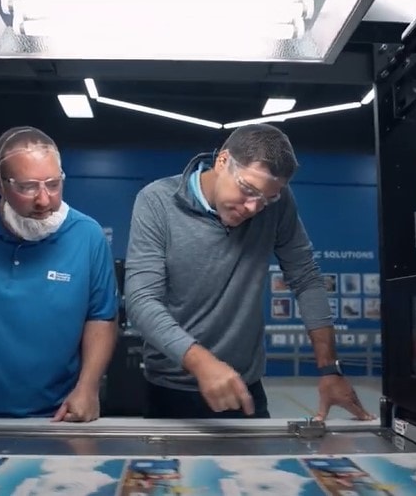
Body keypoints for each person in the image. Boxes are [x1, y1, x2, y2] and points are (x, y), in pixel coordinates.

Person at [125, 123, 374, 420]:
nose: (254, 208)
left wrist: (329, 369)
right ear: (222, 161)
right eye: (247, 190)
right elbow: (141, 300)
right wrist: (202, 363)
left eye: (267, 198)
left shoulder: (277, 204)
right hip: (170, 389)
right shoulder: (156, 201)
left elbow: (306, 278)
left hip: (245, 388)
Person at [0, 126, 118, 421]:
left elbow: (101, 316)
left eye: (54, 184)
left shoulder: (87, 235)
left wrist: (88, 388)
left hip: (57, 416)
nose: (44, 200)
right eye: (28, 187)